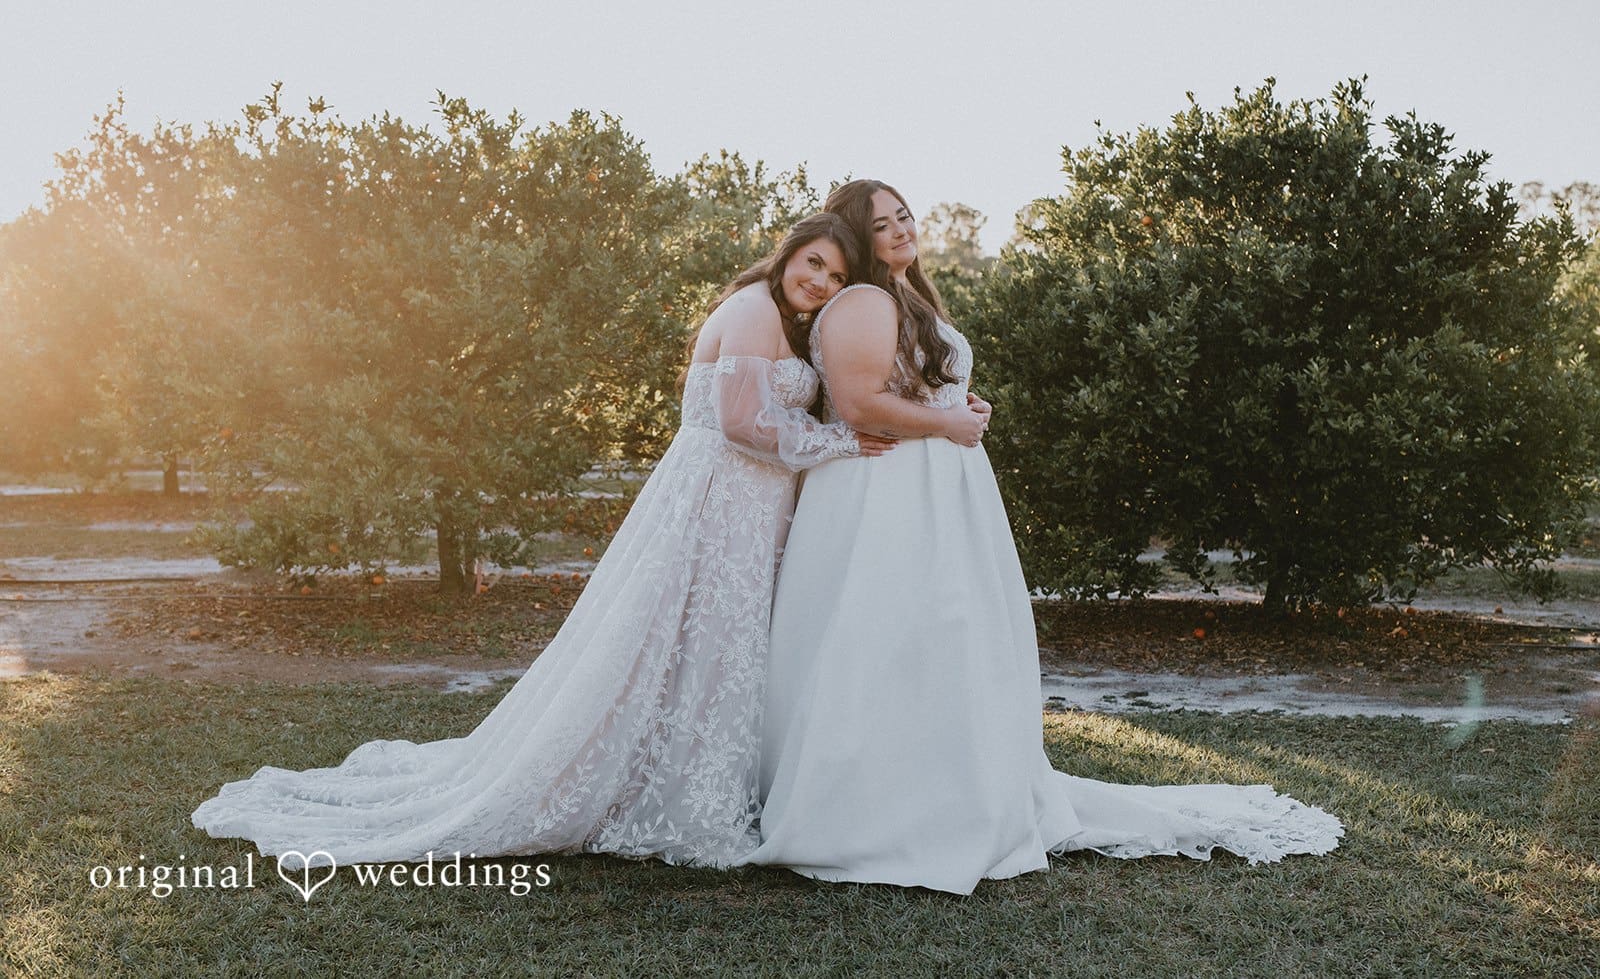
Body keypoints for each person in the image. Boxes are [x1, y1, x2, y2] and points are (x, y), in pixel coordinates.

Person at [193, 212, 897, 870]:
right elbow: (741, 421)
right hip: (714, 503)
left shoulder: (790, 322)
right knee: (685, 642)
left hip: (749, 509)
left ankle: (695, 783)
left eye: (836, 277)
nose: (821, 282)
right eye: (814, 263)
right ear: (788, 252)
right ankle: (666, 795)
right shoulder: (751, 309)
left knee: (712, 649)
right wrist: (841, 441)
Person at [746, 181, 1343, 894]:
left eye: (905, 213)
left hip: (933, 489)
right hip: (884, 498)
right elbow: (856, 403)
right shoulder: (863, 301)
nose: (903, 228)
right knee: (883, 640)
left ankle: (949, 787)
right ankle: (875, 807)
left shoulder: (906, 297)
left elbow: (900, 383)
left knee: (942, 643)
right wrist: (946, 421)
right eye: (883, 223)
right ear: (857, 235)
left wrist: (952, 400)